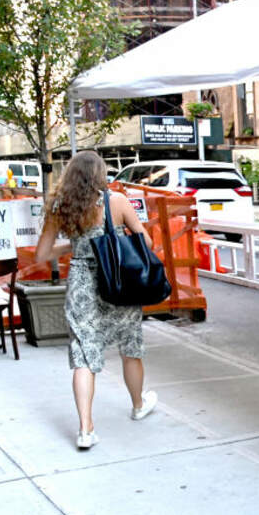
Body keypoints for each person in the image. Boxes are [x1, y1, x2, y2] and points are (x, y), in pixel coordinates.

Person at [35, 151, 158, 450]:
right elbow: (147, 243)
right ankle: (138, 405)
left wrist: (76, 247)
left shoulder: (60, 206)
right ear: (100, 174)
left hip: (82, 284)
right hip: (119, 281)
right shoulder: (117, 201)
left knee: (83, 355)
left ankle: (86, 429)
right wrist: (113, 240)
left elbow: (42, 256)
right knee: (130, 346)